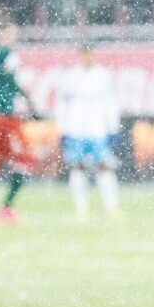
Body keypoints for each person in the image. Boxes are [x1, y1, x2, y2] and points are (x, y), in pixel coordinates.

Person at [0, 23, 39, 225]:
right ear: (1, 34)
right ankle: (7, 207)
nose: (14, 37)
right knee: (23, 161)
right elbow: (12, 81)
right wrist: (29, 102)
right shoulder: (8, 53)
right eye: (11, 33)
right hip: (5, 116)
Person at [55, 43, 121, 220]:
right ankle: (81, 208)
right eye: (85, 55)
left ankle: (111, 206)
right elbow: (62, 105)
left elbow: (111, 103)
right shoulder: (70, 77)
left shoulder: (103, 76)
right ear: (80, 56)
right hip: (76, 128)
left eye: (91, 55)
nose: (88, 58)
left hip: (98, 128)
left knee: (104, 167)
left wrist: (113, 127)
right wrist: (62, 129)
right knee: (77, 168)